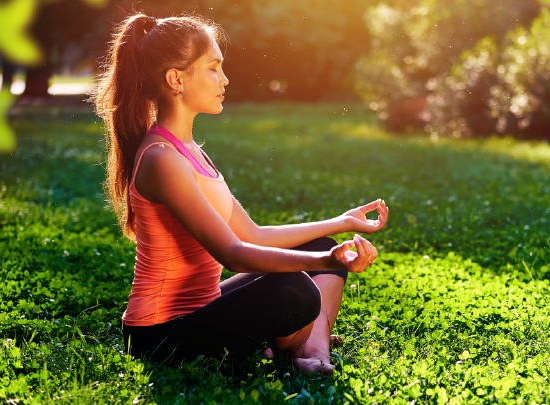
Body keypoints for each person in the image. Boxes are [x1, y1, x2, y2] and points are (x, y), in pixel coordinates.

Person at [90, 13, 389, 375]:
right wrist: (330, 261)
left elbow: (255, 236)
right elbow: (234, 254)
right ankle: (294, 348)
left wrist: (341, 224)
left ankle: (310, 347)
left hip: (206, 308)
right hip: (160, 337)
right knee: (296, 289)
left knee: (313, 246)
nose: (225, 78)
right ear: (176, 79)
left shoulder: (190, 151)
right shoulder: (161, 159)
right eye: (214, 68)